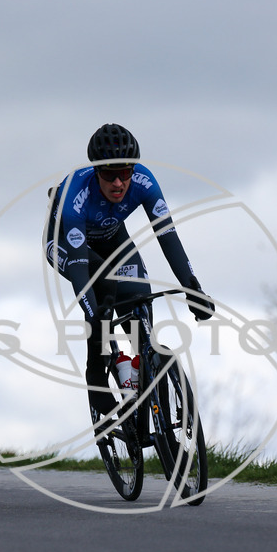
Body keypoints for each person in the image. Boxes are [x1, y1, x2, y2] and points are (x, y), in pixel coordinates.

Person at [45, 122, 215, 439]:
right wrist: (95, 316)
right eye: (109, 175)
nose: (119, 181)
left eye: (125, 171)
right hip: (69, 246)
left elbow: (167, 235)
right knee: (102, 297)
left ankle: (153, 408)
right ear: (96, 172)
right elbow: (81, 269)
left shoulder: (144, 181)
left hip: (112, 240)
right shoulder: (76, 195)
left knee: (141, 312)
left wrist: (193, 286)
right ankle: (96, 375)